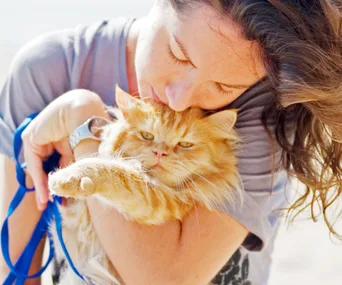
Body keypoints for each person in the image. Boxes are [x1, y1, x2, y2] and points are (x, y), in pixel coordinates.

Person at [0, 0, 341, 284]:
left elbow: (163, 278)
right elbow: (17, 266)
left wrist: (83, 123)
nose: (178, 100)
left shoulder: (261, 104)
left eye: (223, 87)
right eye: (179, 54)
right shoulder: (46, 71)